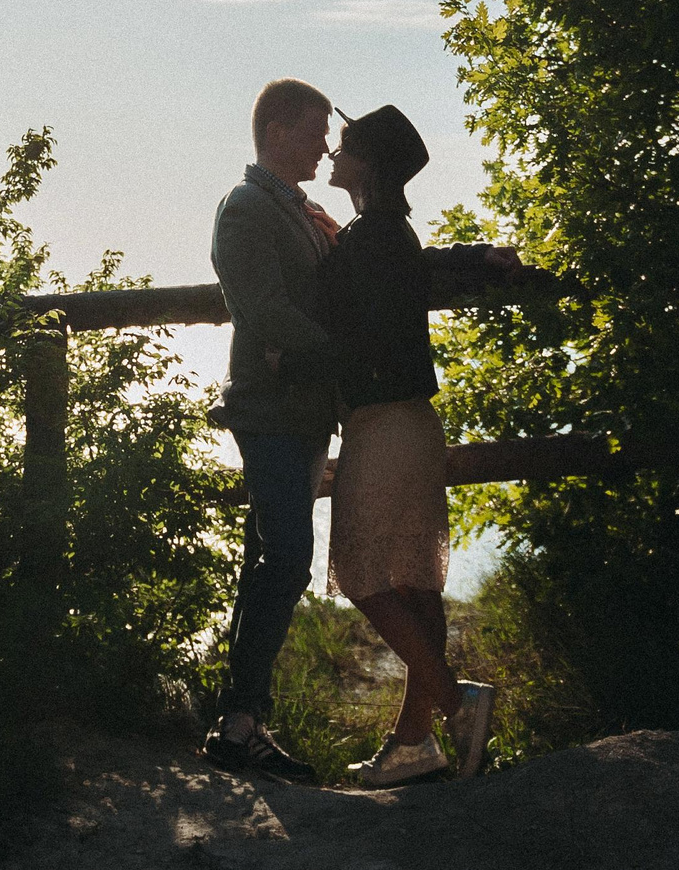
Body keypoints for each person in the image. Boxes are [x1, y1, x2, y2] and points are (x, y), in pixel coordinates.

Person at [319, 103, 496, 787]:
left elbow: (322, 308)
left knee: (362, 574)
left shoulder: (367, 240)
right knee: (416, 584)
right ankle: (415, 742)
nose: (333, 155)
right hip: (414, 423)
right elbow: (416, 273)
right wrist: (479, 256)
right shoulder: (391, 233)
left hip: (383, 423)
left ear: (366, 164)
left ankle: (455, 705)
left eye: (343, 147)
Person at [198, 78, 342, 783]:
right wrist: (343, 355)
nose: (325, 144)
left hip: (302, 409)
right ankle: (239, 721)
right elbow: (262, 308)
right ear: (279, 129)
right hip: (271, 409)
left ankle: (238, 723)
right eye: (316, 130)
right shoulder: (247, 206)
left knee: (269, 557)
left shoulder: (299, 208)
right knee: (286, 556)